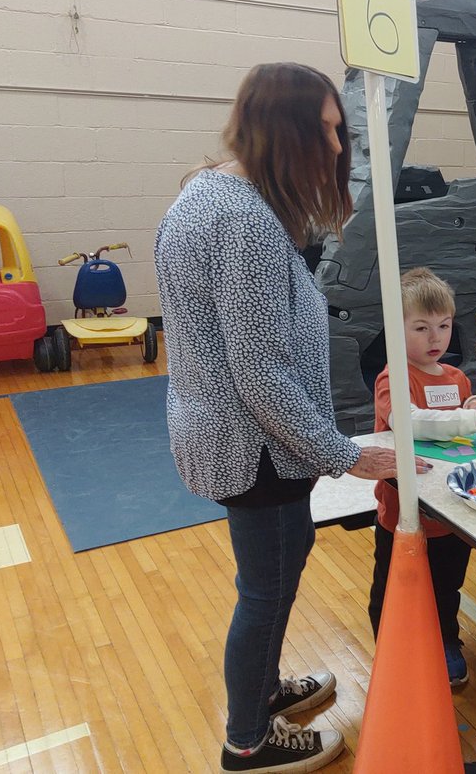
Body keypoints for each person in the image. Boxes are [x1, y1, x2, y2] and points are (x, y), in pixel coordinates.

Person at [155, 63, 410, 774]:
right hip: (254, 444)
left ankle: (264, 691)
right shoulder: (244, 223)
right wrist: (346, 454)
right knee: (265, 589)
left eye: (337, 130)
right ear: (281, 129)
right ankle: (248, 741)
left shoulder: (210, 192)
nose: (334, 147)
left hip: (241, 434)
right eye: (323, 130)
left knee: (285, 558)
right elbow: (260, 374)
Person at [368, 268, 476, 688]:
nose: (435, 338)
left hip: (452, 513)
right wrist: (473, 419)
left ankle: (446, 641)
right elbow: (410, 421)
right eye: (421, 328)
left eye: (444, 326)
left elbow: (459, 417)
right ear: (396, 329)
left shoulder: (456, 377)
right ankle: (394, 651)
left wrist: (473, 403)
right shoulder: (392, 377)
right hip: (405, 517)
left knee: (447, 587)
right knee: (394, 590)